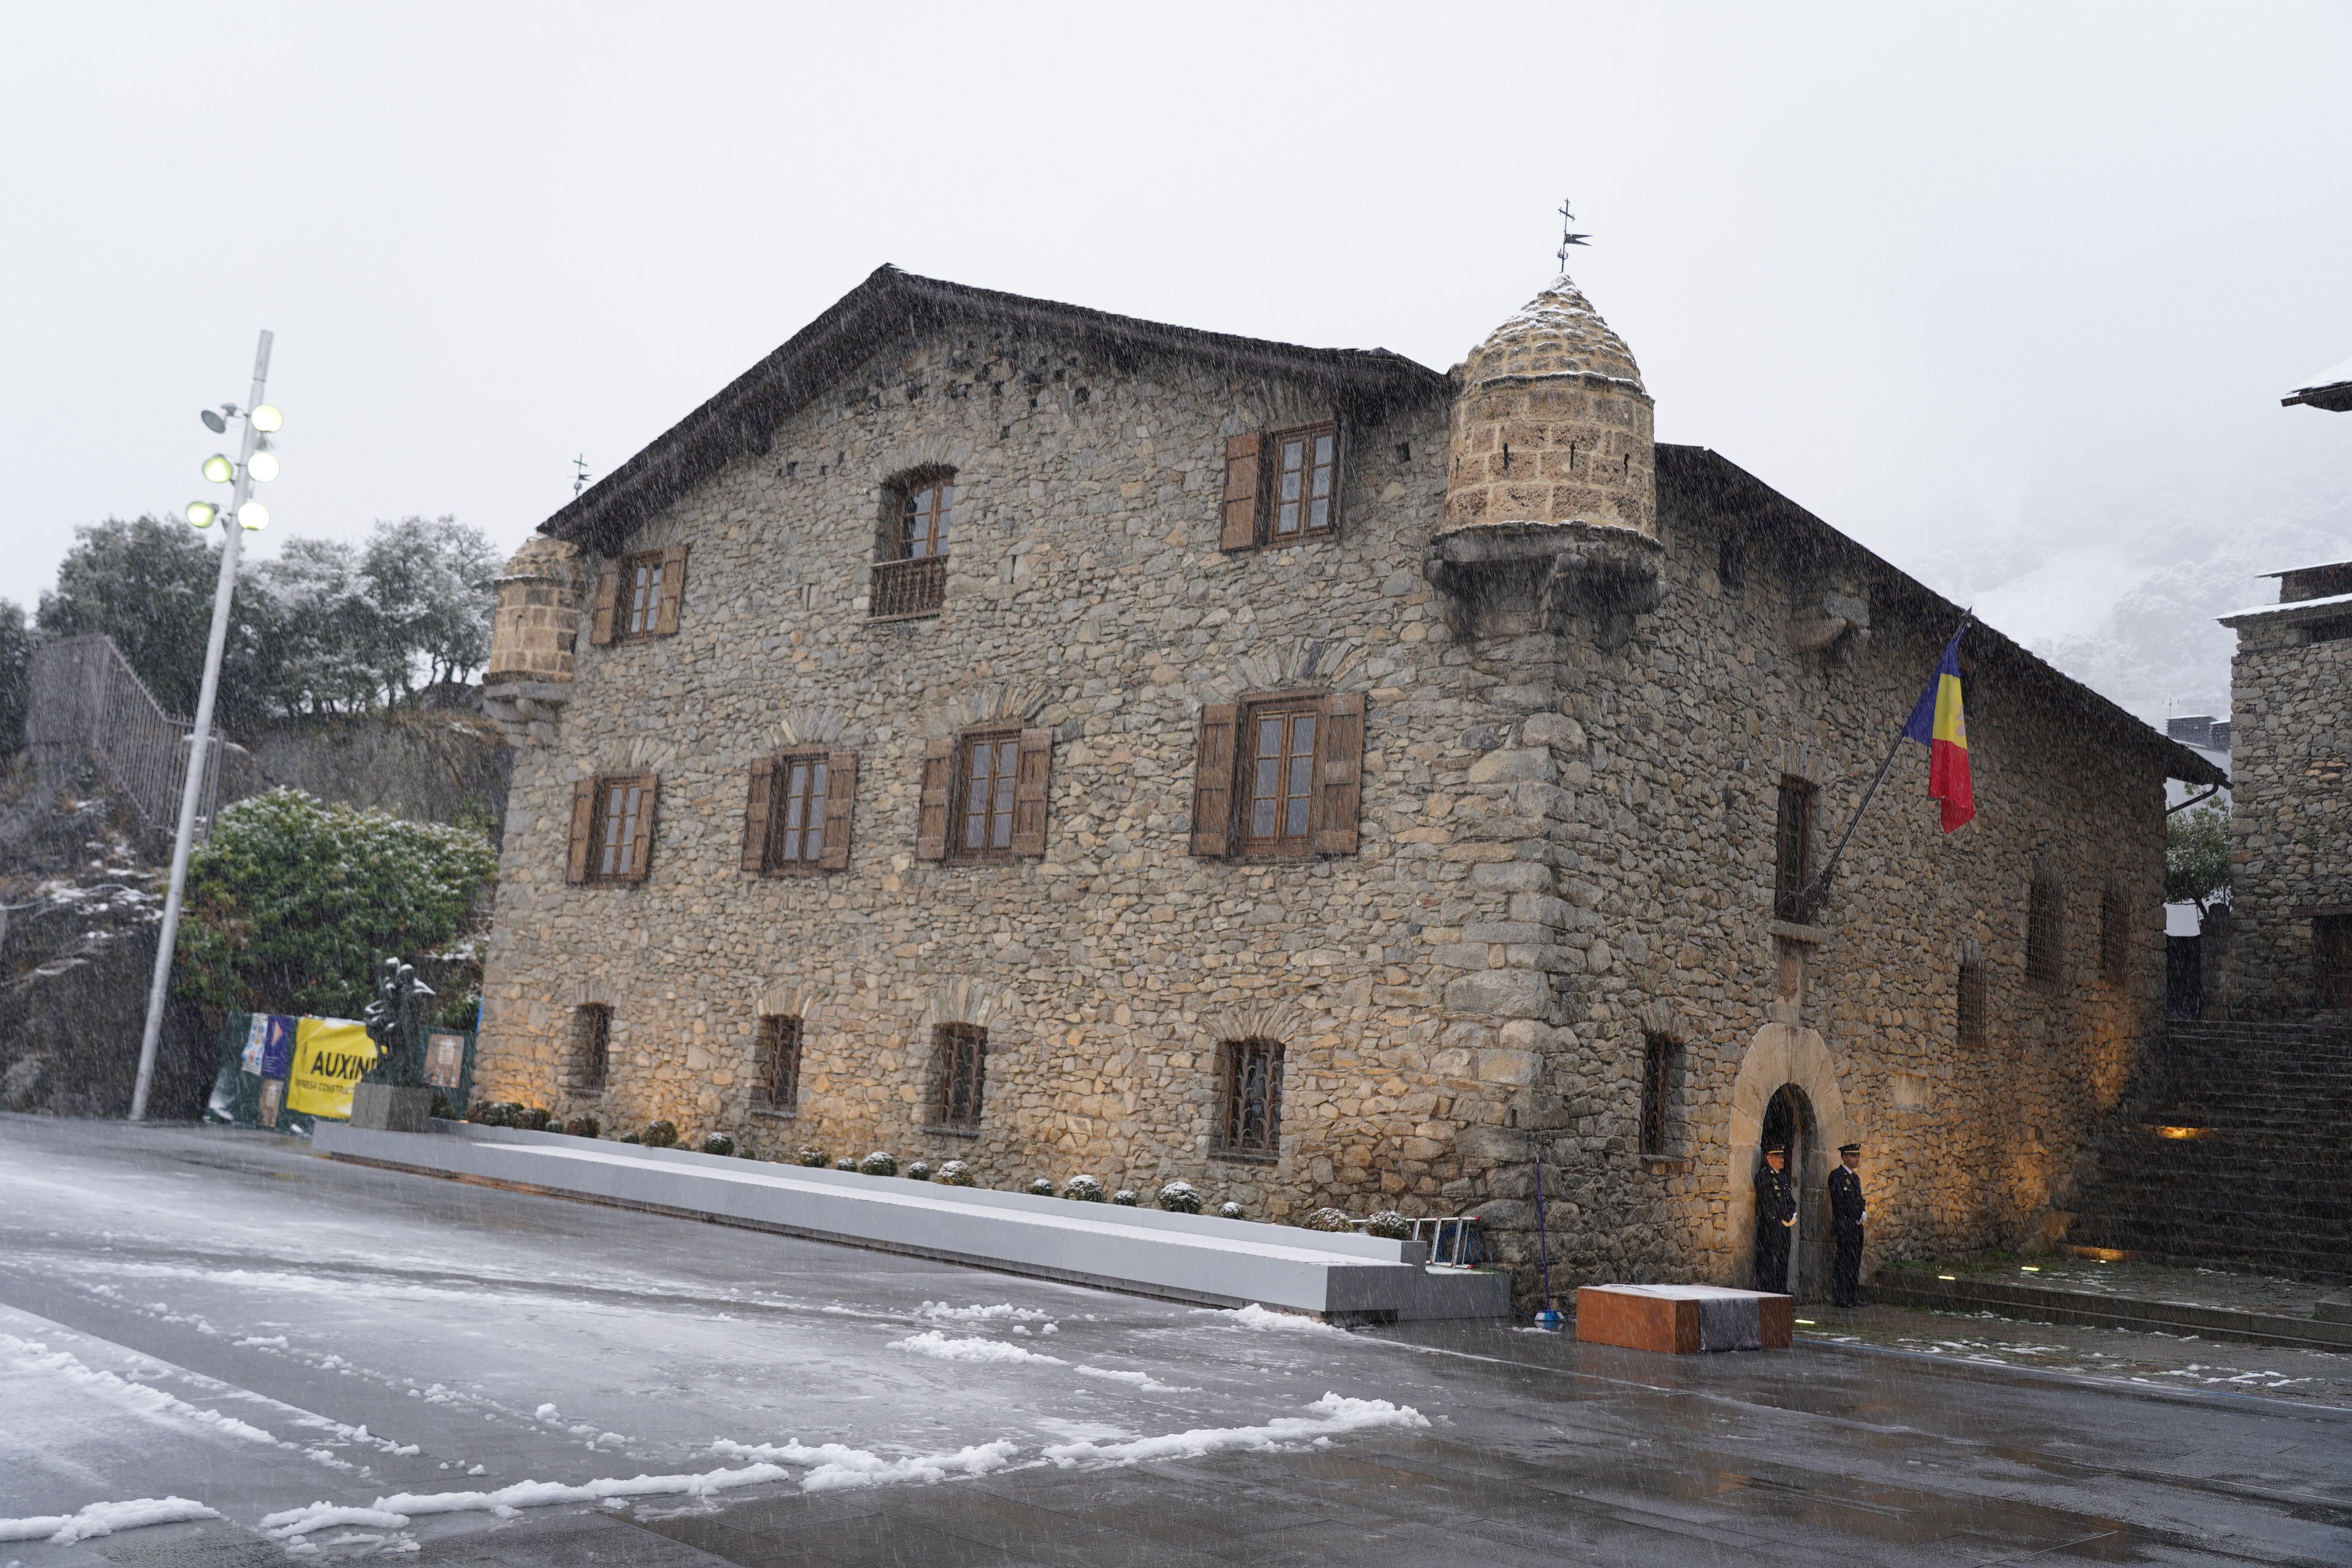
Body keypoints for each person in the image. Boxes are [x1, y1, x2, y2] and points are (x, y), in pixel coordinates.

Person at [1828, 1142, 1867, 1307]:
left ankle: (1851, 1295)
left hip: (1855, 1226)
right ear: (1844, 1157)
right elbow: (1841, 1202)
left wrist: (1862, 1213)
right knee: (1843, 1262)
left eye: (1857, 1156)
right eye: (1853, 1156)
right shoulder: (1837, 1176)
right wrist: (1857, 1214)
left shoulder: (1855, 1178)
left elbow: (1858, 1200)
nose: (1856, 1158)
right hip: (1844, 1226)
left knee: (1854, 1262)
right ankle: (1840, 1296)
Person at [1754, 1144, 1796, 1293]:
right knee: (1769, 1261)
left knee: (1783, 1260)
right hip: (1770, 1227)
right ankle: (1768, 1294)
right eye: (1778, 1156)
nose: (1782, 1159)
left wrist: (1792, 1215)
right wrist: (1783, 1216)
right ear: (1769, 1158)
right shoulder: (1764, 1176)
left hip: (1784, 1227)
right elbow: (1768, 1203)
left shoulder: (1783, 1178)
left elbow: (1789, 1200)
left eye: (1782, 1156)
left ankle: (1780, 1291)